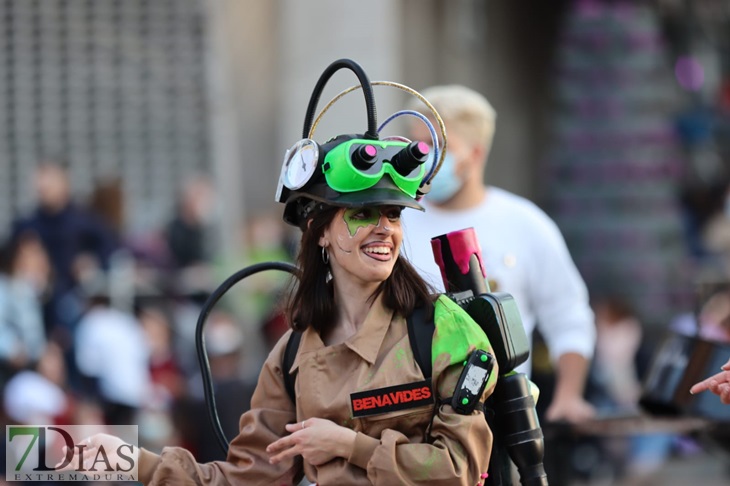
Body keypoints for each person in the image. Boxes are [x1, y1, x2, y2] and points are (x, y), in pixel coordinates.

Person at [68, 102, 498, 484]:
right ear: (319, 230)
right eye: (363, 213)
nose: (385, 228)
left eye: (392, 214)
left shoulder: (441, 330)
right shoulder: (293, 354)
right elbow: (247, 478)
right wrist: (124, 459)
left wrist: (350, 445)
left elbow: (462, 470)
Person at [402, 85, 596, 423]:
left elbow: (569, 317)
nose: (423, 155)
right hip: (409, 420)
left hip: (504, 424)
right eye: (417, 143)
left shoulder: (525, 223)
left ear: (475, 153)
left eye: (437, 146)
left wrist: (568, 397)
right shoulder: (393, 223)